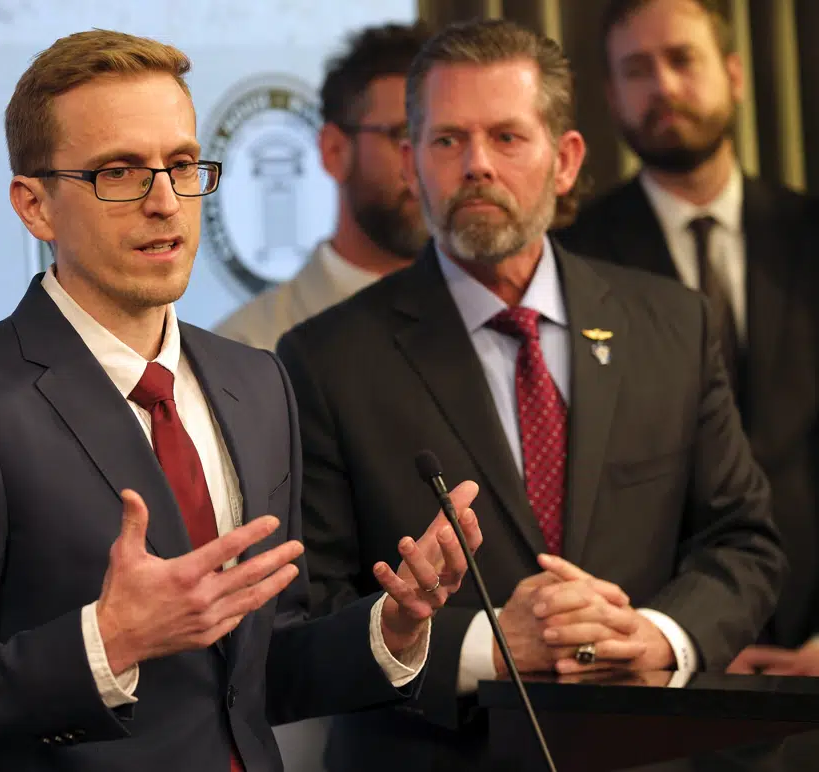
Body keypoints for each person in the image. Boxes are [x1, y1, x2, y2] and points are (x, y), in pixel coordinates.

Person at [0, 30, 485, 772]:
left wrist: (393, 628)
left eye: (181, 165)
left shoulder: (257, 382)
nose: (163, 202)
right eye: (119, 171)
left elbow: (254, 671)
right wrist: (107, 644)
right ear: (34, 206)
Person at [276, 19, 785, 772]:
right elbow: (301, 629)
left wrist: (657, 635)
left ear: (567, 159)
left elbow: (743, 542)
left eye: (507, 137)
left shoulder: (672, 325)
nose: (477, 165)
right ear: (413, 163)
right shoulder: (325, 359)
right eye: (447, 141)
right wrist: (484, 644)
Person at [556, 0, 819, 667]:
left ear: (733, 73)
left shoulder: (810, 235)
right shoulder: (574, 260)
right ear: (611, 98)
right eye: (637, 70)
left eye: (682, 60)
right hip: (656, 660)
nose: (664, 87)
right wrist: (687, 637)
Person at [215, 22, 430, 350]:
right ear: (334, 151)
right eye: (402, 135)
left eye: (443, 140)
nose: (422, 163)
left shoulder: (495, 322)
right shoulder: (252, 349)